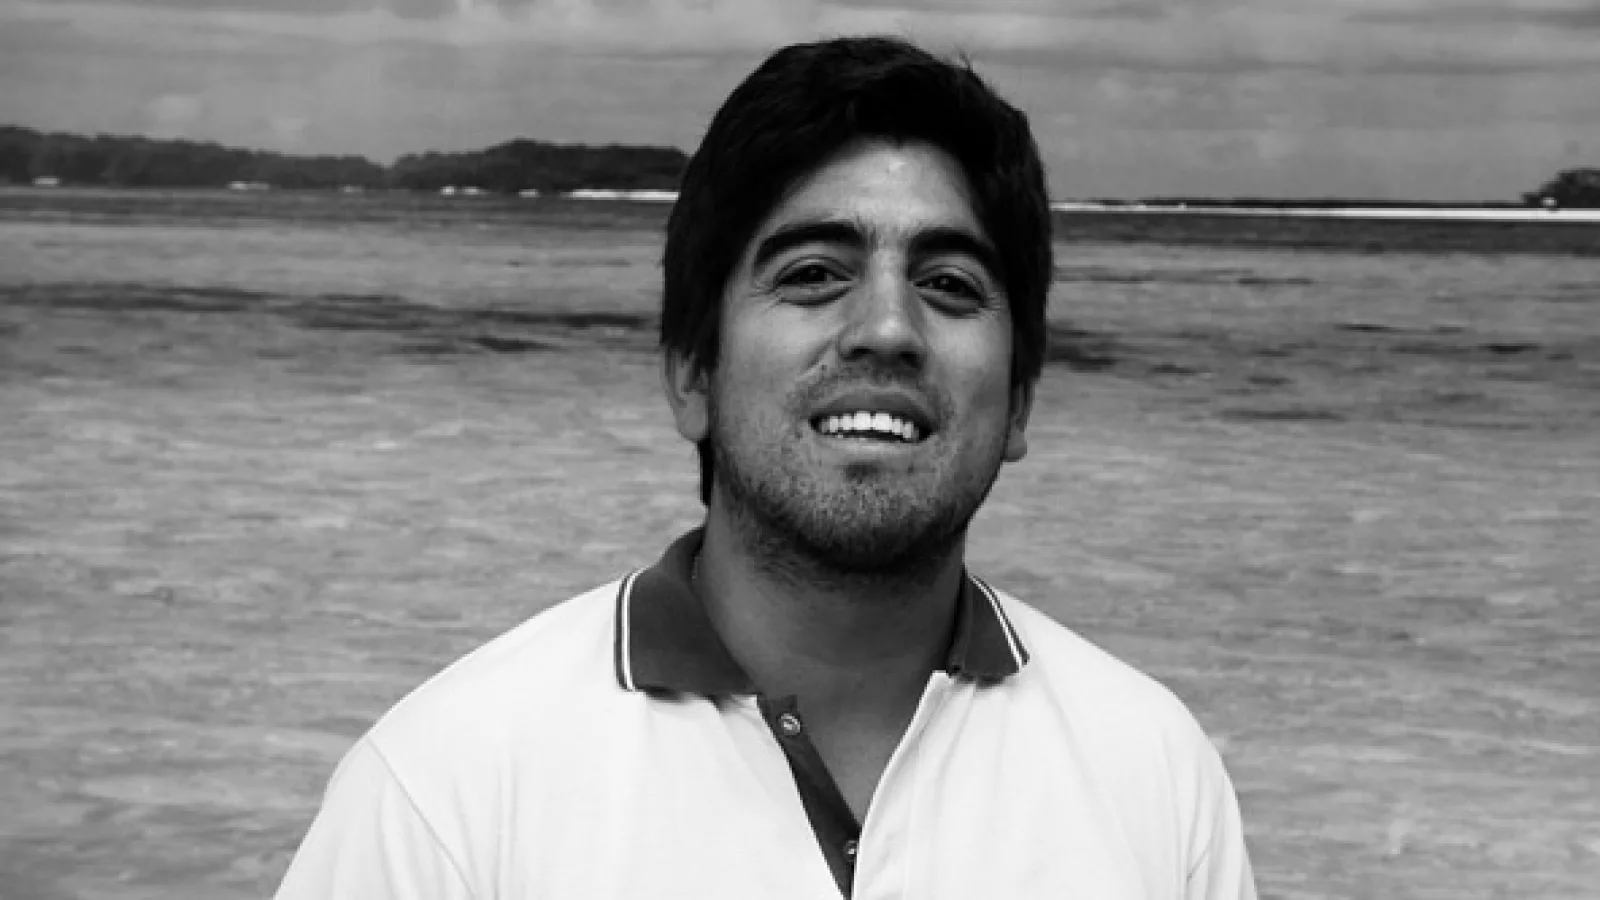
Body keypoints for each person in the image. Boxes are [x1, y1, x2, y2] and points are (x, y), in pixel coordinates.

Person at [274, 35, 1256, 900]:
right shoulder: (448, 790)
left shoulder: (1151, 772)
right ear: (693, 374)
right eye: (813, 274)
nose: (886, 327)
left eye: (950, 284)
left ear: (1022, 401)